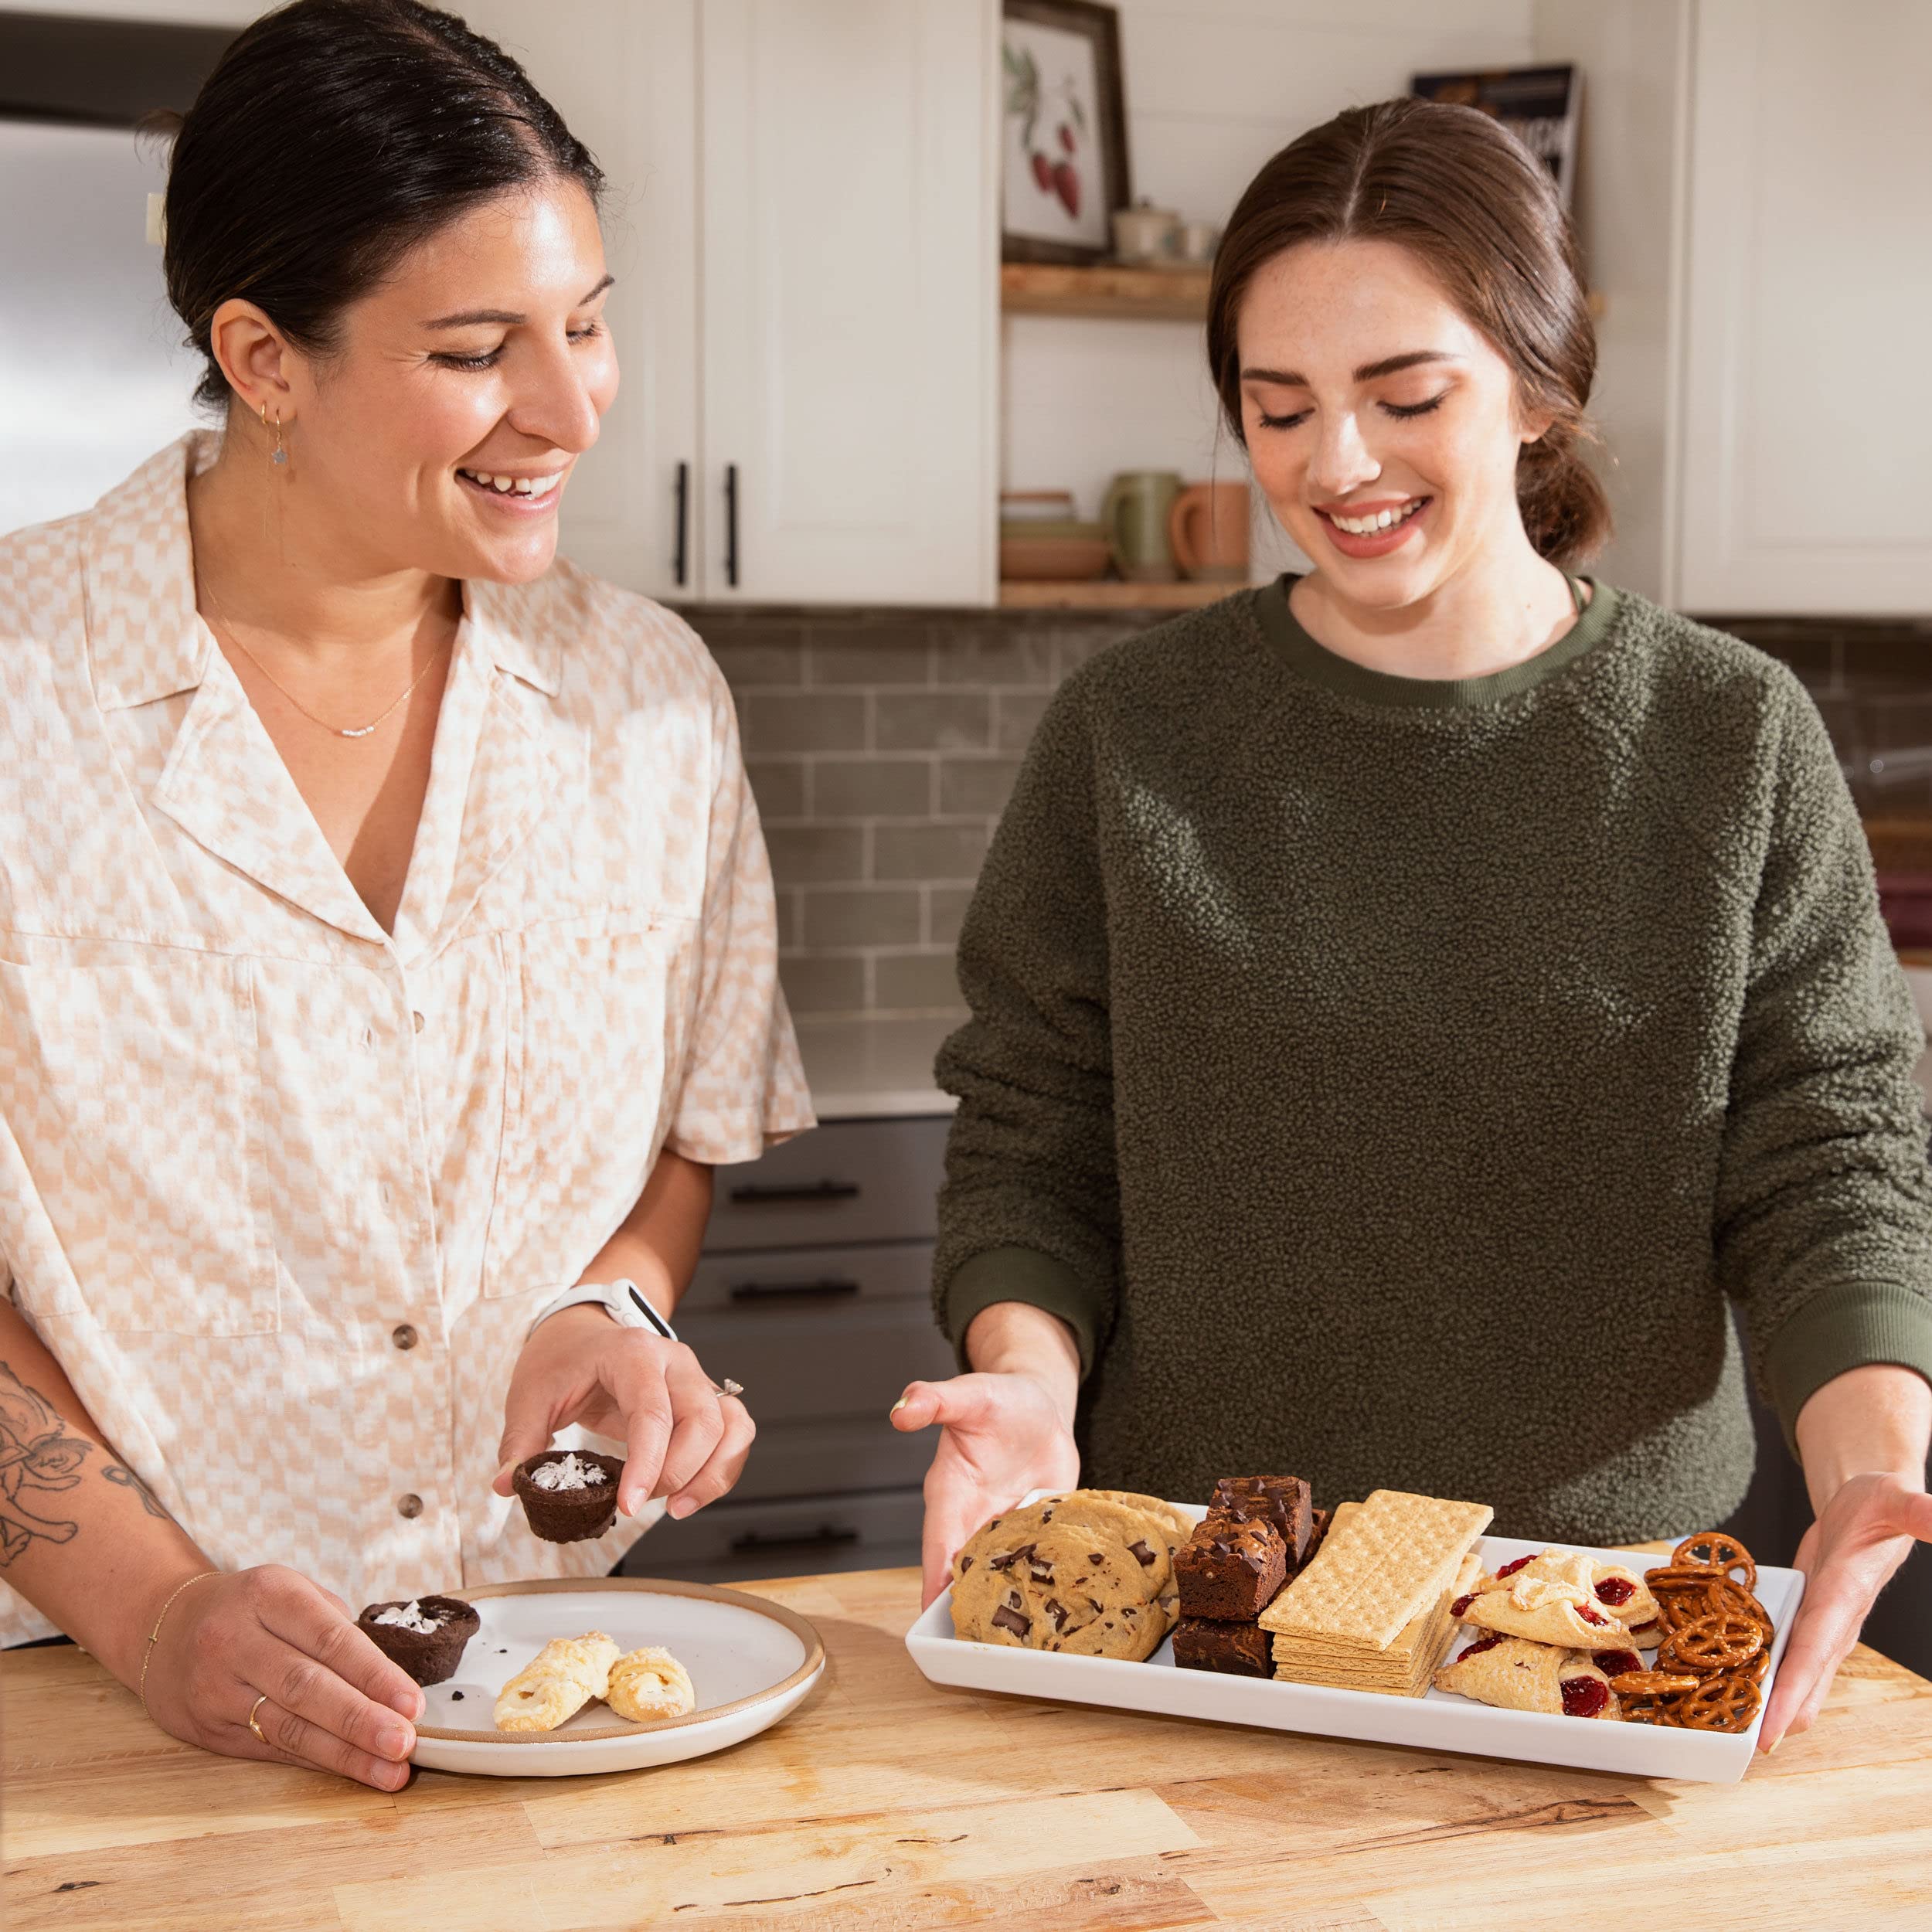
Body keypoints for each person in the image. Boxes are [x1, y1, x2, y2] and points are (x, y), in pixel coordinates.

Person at [893, 97, 1932, 1751]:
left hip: (1600, 1629)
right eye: (1276, 405)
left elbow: (1827, 1155)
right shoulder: (1133, 731)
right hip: (1197, 1629)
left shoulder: (1725, 737)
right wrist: (1024, 1371)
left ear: (1535, 386)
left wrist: (1871, 1450)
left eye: (1402, 395)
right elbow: (1034, 1126)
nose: (1334, 464)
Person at [0, 0, 810, 1791]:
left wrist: (622, 1309)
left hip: (560, 1689)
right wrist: (152, 1614)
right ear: (264, 358)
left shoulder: (650, 702)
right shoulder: (15, 695)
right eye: (476, 348)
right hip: (91, 1710)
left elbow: (680, 1127)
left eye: (588, 324)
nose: (573, 403)